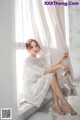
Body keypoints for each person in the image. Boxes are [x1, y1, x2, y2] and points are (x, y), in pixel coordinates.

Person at [23, 38, 77, 115]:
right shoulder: (27, 60)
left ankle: (56, 103)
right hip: (31, 89)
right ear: (28, 49)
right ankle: (64, 103)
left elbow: (50, 67)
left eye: (36, 46)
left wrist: (61, 58)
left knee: (53, 73)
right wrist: (60, 65)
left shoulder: (38, 60)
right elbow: (44, 71)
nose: (35, 48)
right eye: (32, 47)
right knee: (50, 74)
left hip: (37, 85)